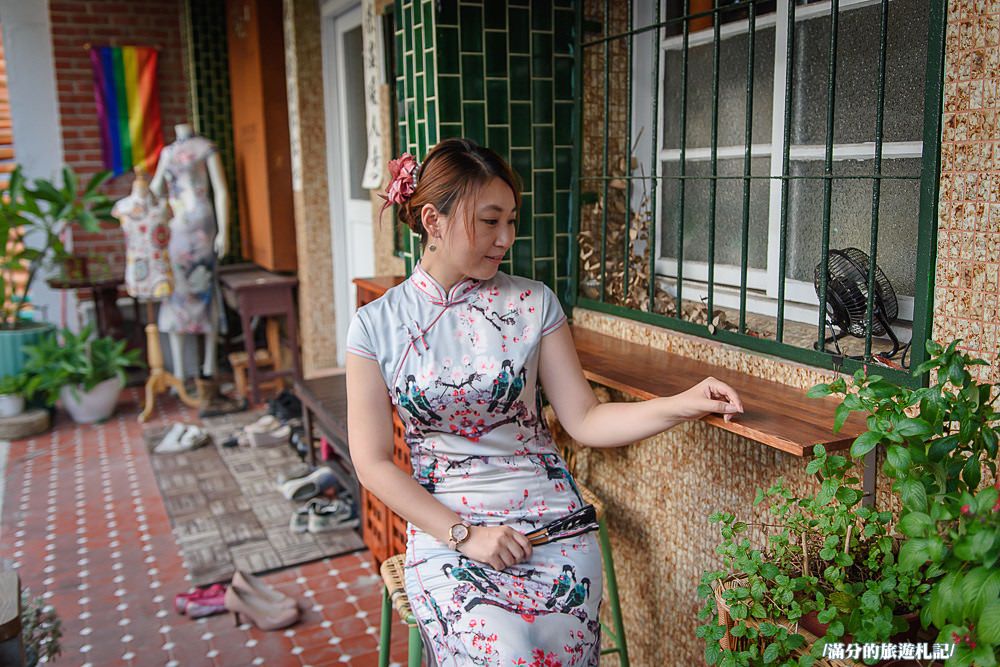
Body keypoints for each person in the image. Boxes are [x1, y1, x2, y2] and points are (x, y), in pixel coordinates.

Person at [345, 138, 743, 666]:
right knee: (508, 656)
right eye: (490, 221)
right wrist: (465, 536)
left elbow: (586, 418)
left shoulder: (533, 302)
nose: (506, 238)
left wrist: (684, 403)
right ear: (432, 221)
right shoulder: (376, 326)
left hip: (552, 529)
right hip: (450, 533)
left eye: (511, 220)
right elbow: (371, 462)